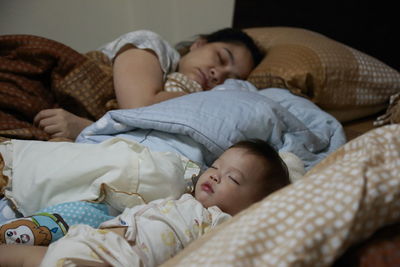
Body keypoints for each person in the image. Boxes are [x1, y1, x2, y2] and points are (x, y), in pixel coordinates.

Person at [0, 139, 290, 266]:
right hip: (92, 241)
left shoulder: (222, 225)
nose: (215, 176)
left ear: (252, 208)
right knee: (20, 257)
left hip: (120, 261)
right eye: (215, 166)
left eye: (234, 179)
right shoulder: (182, 198)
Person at [31, 28, 264, 140]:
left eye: (229, 80)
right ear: (198, 45)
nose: (217, 74)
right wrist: (85, 128)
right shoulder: (155, 46)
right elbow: (139, 107)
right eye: (221, 58)